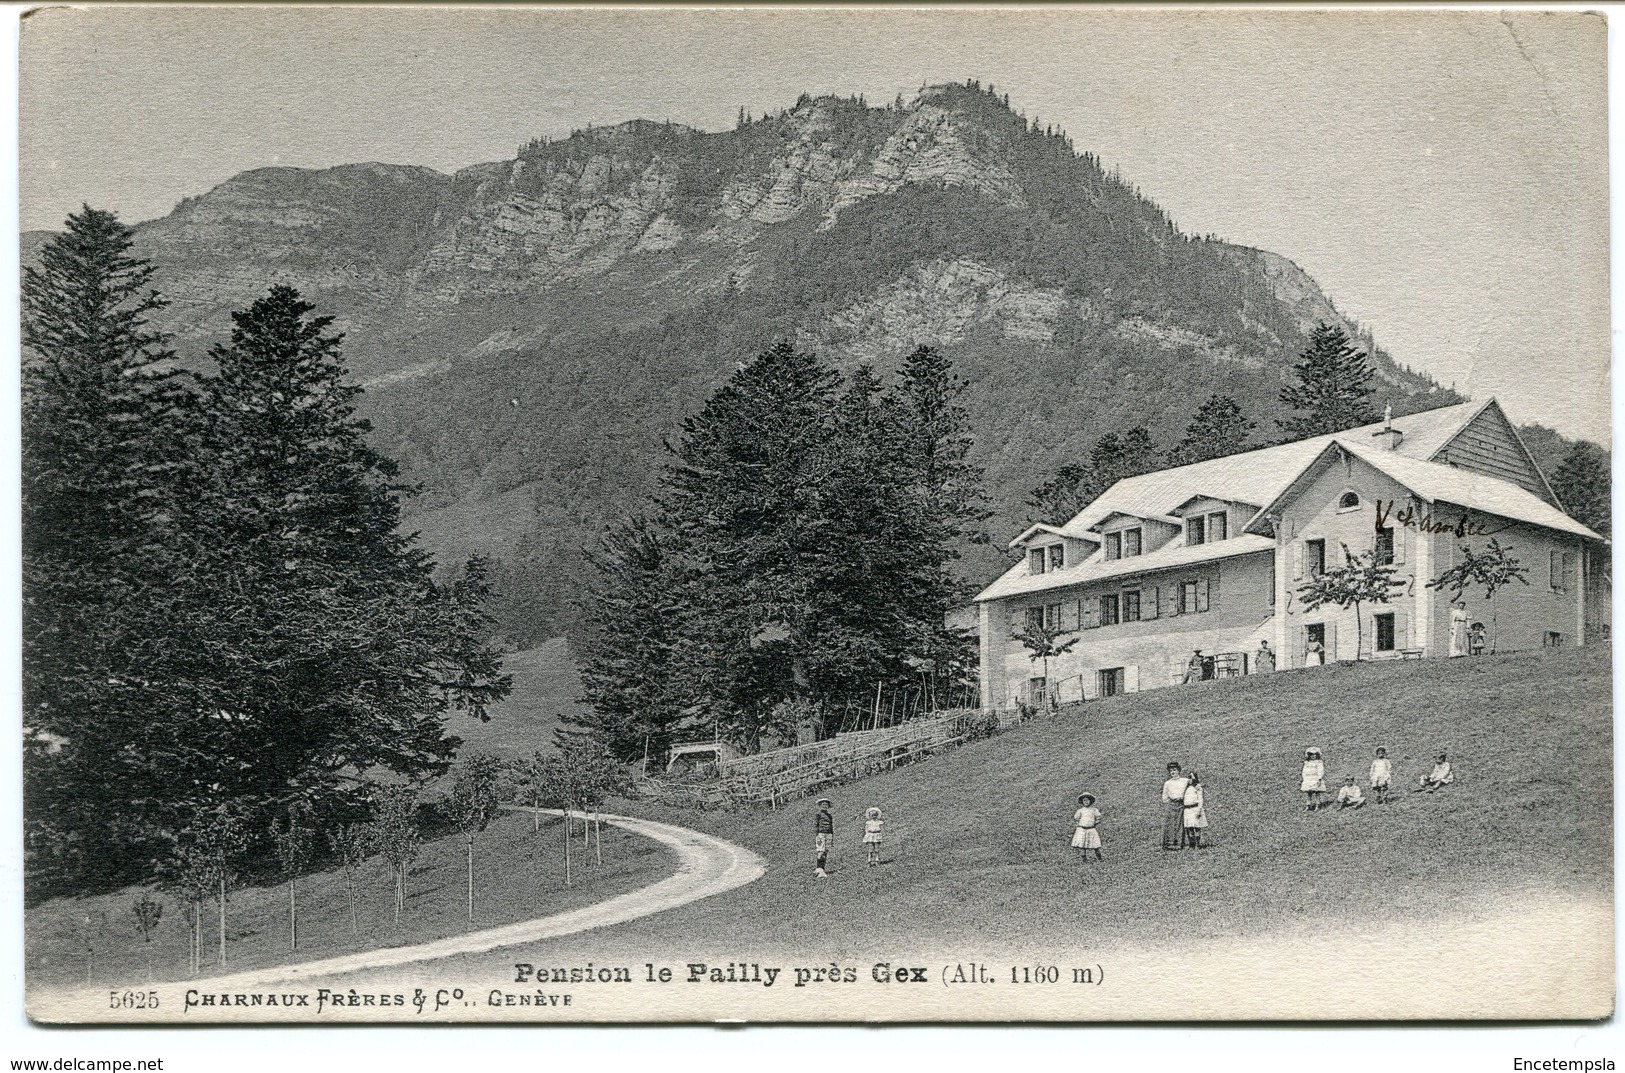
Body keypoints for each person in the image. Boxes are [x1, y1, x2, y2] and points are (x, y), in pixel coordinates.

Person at [1161, 762, 1190, 850]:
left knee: (1180, 824)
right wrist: (1171, 801)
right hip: (1172, 805)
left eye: (1174, 770)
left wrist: (1183, 799)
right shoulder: (1167, 783)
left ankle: (1180, 844)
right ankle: (1170, 844)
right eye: (1170, 771)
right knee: (1171, 824)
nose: (1173, 772)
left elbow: (1192, 790)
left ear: (1178, 770)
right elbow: (1165, 797)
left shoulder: (1185, 781)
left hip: (1182, 804)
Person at [1070, 793, 1102, 864]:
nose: (1086, 802)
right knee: (1082, 845)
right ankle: (1084, 860)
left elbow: (1099, 818)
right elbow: (1076, 818)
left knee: (1095, 845)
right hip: (1082, 830)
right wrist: (1079, 825)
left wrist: (1094, 823)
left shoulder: (1094, 810)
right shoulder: (1080, 811)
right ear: (1082, 802)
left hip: (1091, 829)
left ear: (1090, 801)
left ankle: (1100, 859)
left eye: (1088, 800)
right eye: (1084, 800)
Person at [1182, 771, 1208, 848]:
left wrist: (1199, 810)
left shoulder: (1198, 787)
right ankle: (1191, 844)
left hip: (1195, 808)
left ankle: (1197, 844)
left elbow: (1200, 799)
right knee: (1189, 828)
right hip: (1187, 809)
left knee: (1196, 827)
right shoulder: (1185, 788)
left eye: (1191, 777)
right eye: (1188, 777)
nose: (1190, 779)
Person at [813, 798, 835, 877]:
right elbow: (816, 825)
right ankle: (819, 868)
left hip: (828, 834)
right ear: (820, 806)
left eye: (826, 805)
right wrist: (817, 835)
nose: (824, 806)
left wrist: (832, 836)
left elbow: (831, 826)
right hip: (821, 834)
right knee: (821, 851)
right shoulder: (818, 814)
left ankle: (822, 868)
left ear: (828, 806)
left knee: (826, 851)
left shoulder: (829, 815)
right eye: (823, 805)